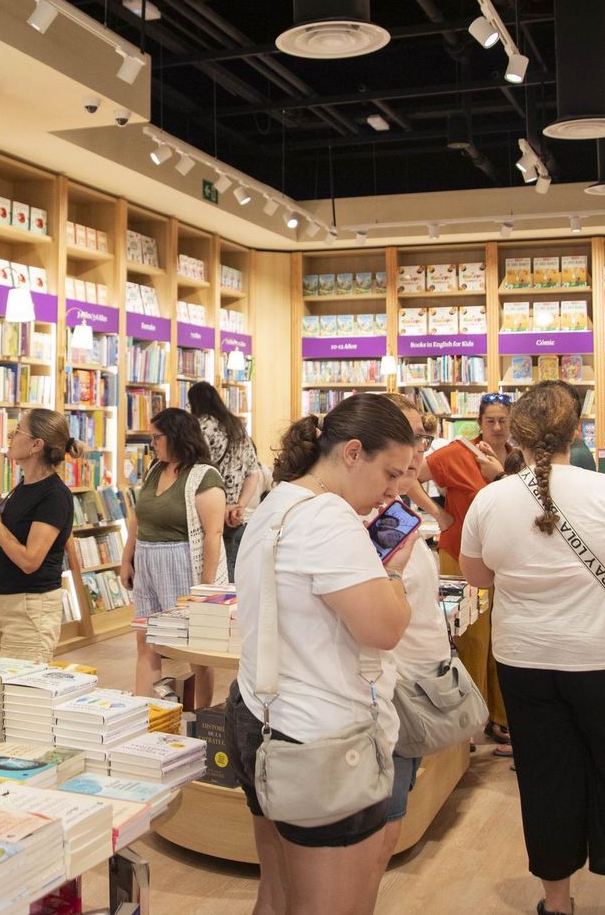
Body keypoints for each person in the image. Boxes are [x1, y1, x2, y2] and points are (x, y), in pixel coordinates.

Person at [459, 383, 605, 915]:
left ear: (515, 436)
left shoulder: (490, 499)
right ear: (577, 433)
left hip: (524, 661)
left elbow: (477, 575)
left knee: (545, 778)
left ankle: (556, 904)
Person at [227, 395, 418, 915]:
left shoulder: (278, 501)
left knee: (278, 891)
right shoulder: (329, 519)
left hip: (258, 712)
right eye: (390, 472)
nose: (394, 491)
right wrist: (394, 572)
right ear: (353, 452)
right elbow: (384, 627)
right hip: (320, 738)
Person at [380, 395, 471, 859]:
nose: (419, 451)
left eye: (422, 437)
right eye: (409, 437)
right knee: (378, 833)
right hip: (389, 697)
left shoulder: (398, 513)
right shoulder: (368, 519)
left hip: (414, 691)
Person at [422, 391, 516, 754]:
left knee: (500, 639)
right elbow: (413, 475)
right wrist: (437, 512)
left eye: (503, 420)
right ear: (479, 422)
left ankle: (501, 717)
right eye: (490, 420)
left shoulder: (516, 459)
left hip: (504, 562)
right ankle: (470, 722)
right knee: (473, 640)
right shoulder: (460, 452)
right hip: (461, 556)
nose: (496, 426)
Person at [121, 407, 225, 708]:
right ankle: (143, 710)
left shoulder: (204, 477)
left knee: (194, 647)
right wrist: (128, 557)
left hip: (181, 563)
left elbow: (212, 535)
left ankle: (200, 714)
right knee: (146, 640)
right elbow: (138, 517)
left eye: (157, 437)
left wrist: (205, 587)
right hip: (148, 561)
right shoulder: (155, 470)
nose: (152, 444)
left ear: (176, 436)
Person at [0, 408, 78, 662]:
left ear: (36, 445)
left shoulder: (54, 495)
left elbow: (30, 561)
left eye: (18, 430)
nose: (10, 435)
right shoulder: (25, 485)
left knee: (18, 693)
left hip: (28, 610)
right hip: (1, 605)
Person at [185, 380, 263, 579]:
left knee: (207, 574)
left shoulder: (198, 427)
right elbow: (253, 472)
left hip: (205, 513)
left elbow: (190, 470)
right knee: (231, 575)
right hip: (234, 517)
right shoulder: (237, 427)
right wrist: (239, 505)